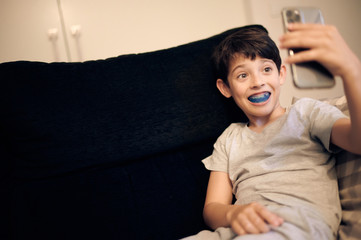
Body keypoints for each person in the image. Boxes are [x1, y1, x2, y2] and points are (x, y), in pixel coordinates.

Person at [182, 23, 361, 240]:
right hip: (237, 229)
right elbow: (212, 208)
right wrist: (233, 213)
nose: (258, 82)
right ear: (225, 88)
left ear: (281, 74)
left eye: (266, 69)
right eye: (242, 76)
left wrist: (352, 71)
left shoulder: (307, 112)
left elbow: (357, 140)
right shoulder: (229, 138)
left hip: (297, 224)